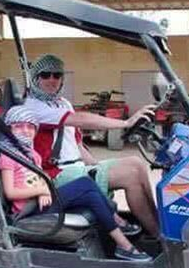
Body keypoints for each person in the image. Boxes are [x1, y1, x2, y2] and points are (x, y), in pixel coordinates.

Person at [24, 54, 160, 236]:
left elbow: (78, 144)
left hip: (75, 167)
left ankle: (159, 223)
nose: (52, 79)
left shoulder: (62, 103)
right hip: (55, 174)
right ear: (35, 78)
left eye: (57, 75)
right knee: (130, 175)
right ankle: (157, 236)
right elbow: (79, 119)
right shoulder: (33, 107)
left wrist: (98, 167)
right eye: (45, 75)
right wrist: (125, 123)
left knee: (137, 164)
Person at [0, 106, 151, 261]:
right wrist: (41, 191)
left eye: (30, 127)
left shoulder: (32, 154)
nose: (25, 131)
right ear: (9, 129)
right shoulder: (8, 157)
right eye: (19, 126)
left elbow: (42, 177)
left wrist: (44, 188)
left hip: (42, 200)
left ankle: (120, 239)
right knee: (85, 185)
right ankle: (122, 240)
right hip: (28, 209)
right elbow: (10, 192)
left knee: (89, 191)